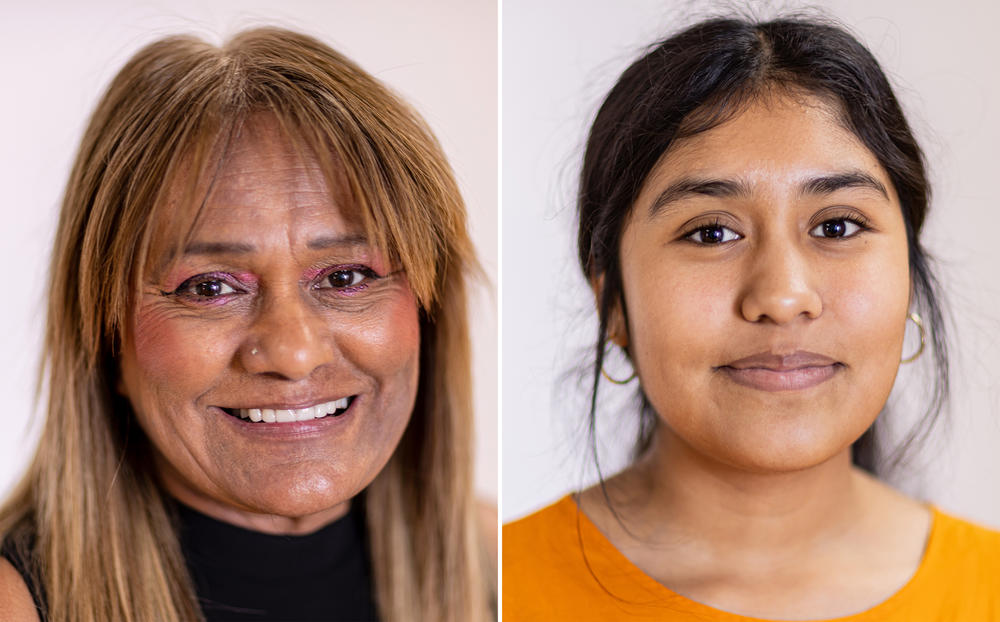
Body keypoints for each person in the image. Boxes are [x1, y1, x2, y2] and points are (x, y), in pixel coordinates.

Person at [503, 15, 1000, 621]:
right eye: (712, 232)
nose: (784, 296)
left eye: (837, 226)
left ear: (910, 281)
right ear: (615, 306)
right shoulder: (496, 587)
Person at [0, 27, 494, 622]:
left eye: (345, 278)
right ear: (105, 336)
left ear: (428, 310)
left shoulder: (498, 571)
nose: (293, 353)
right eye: (210, 288)